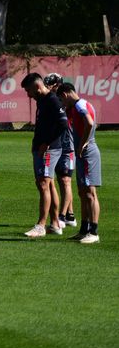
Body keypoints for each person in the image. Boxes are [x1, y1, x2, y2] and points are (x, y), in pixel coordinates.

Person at [20, 73, 68, 237]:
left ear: (37, 87)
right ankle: (54, 224)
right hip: (42, 148)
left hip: (49, 150)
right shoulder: (41, 100)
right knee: (49, 184)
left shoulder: (52, 100)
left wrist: (47, 142)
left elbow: (63, 123)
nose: (28, 95)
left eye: (28, 91)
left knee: (43, 184)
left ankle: (41, 225)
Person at [57, 83, 102, 243]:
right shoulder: (75, 107)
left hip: (88, 153)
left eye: (62, 99)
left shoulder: (81, 104)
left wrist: (83, 143)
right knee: (82, 193)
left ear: (67, 93)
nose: (62, 103)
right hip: (82, 154)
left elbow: (90, 123)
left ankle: (94, 232)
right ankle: (84, 230)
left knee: (90, 193)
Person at [44, 73, 76, 227]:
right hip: (58, 144)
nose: (49, 87)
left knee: (65, 180)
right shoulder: (53, 100)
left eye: (52, 85)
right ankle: (70, 214)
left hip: (68, 145)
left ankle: (62, 216)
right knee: (61, 180)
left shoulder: (64, 100)